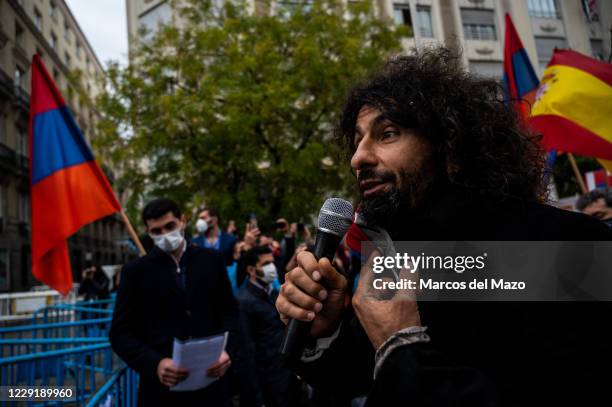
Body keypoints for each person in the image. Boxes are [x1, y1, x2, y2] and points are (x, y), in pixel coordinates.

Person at [275, 47, 612, 406]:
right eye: (357, 140)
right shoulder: (392, 255)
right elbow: (361, 378)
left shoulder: (571, 243)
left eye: (387, 133)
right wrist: (326, 332)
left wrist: (402, 348)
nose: (359, 157)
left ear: (451, 149)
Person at [110, 198, 237, 406]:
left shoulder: (211, 260)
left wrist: (226, 351)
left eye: (170, 226)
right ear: (148, 232)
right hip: (162, 393)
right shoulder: (135, 272)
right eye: (156, 231)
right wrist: (155, 364)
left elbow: (230, 313)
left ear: (183, 221)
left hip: (212, 386)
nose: (164, 235)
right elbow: (120, 334)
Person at [237, 246, 295, 407]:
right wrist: (256, 397)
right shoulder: (245, 302)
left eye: (272, 262)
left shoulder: (274, 293)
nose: (272, 267)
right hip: (267, 381)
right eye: (266, 263)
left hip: (285, 374)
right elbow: (246, 352)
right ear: (251, 270)